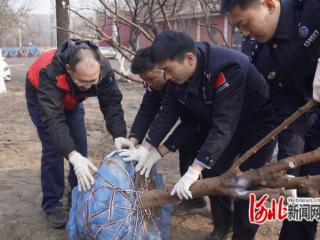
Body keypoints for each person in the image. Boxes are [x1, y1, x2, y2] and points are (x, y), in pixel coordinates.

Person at [119, 30, 276, 240]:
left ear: (189, 59)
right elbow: (167, 112)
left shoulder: (226, 67)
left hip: (257, 124)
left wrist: (194, 170)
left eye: (168, 70)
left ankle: (244, 235)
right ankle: (222, 225)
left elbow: (223, 125)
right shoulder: (177, 76)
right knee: (215, 172)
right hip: (226, 123)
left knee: (248, 180)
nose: (166, 76)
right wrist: (147, 149)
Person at [221, 0, 320, 238]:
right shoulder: (259, 53)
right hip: (310, 127)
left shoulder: (309, 9)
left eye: (245, 23)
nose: (244, 33)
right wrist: (289, 166)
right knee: (303, 192)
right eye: (238, 28)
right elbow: (287, 113)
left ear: (268, 4)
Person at [25, 39, 127, 228]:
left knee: (79, 145)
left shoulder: (102, 68)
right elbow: (53, 119)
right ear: (69, 70)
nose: (88, 87)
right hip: (40, 96)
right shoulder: (49, 72)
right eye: (83, 81)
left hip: (71, 99)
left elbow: (111, 101)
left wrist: (119, 134)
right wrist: (70, 154)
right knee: (54, 149)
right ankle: (51, 204)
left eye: (93, 81)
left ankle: (77, 192)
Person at [116, 47, 207, 210]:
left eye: (151, 78)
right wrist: (133, 141)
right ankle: (194, 198)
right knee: (186, 151)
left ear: (163, 67)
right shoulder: (154, 85)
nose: (150, 84)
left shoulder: (180, 81)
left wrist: (157, 151)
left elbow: (177, 121)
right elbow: (147, 110)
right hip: (191, 123)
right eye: (146, 81)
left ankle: (225, 217)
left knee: (211, 164)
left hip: (207, 121)